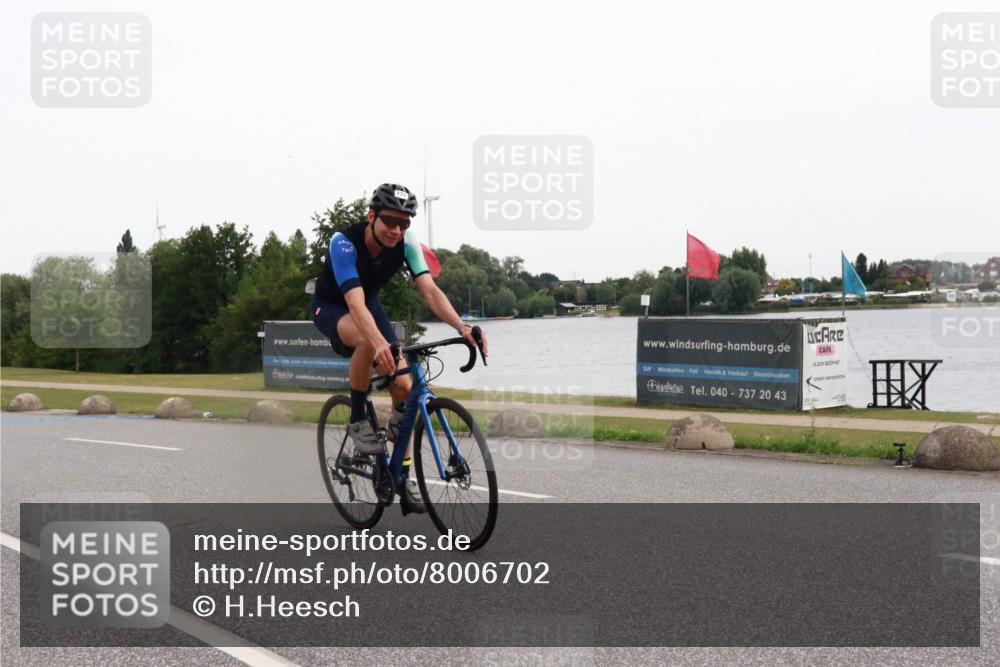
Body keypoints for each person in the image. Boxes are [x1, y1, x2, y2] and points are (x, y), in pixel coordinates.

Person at [311, 183, 488, 513]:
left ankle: (399, 475)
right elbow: (354, 302)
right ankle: (358, 420)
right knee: (368, 339)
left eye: (404, 223)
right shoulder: (344, 243)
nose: (396, 230)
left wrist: (462, 328)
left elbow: (430, 292)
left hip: (369, 303)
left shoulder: (407, 243)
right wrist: (379, 343)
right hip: (333, 307)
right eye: (389, 221)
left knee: (406, 392)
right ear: (371, 216)